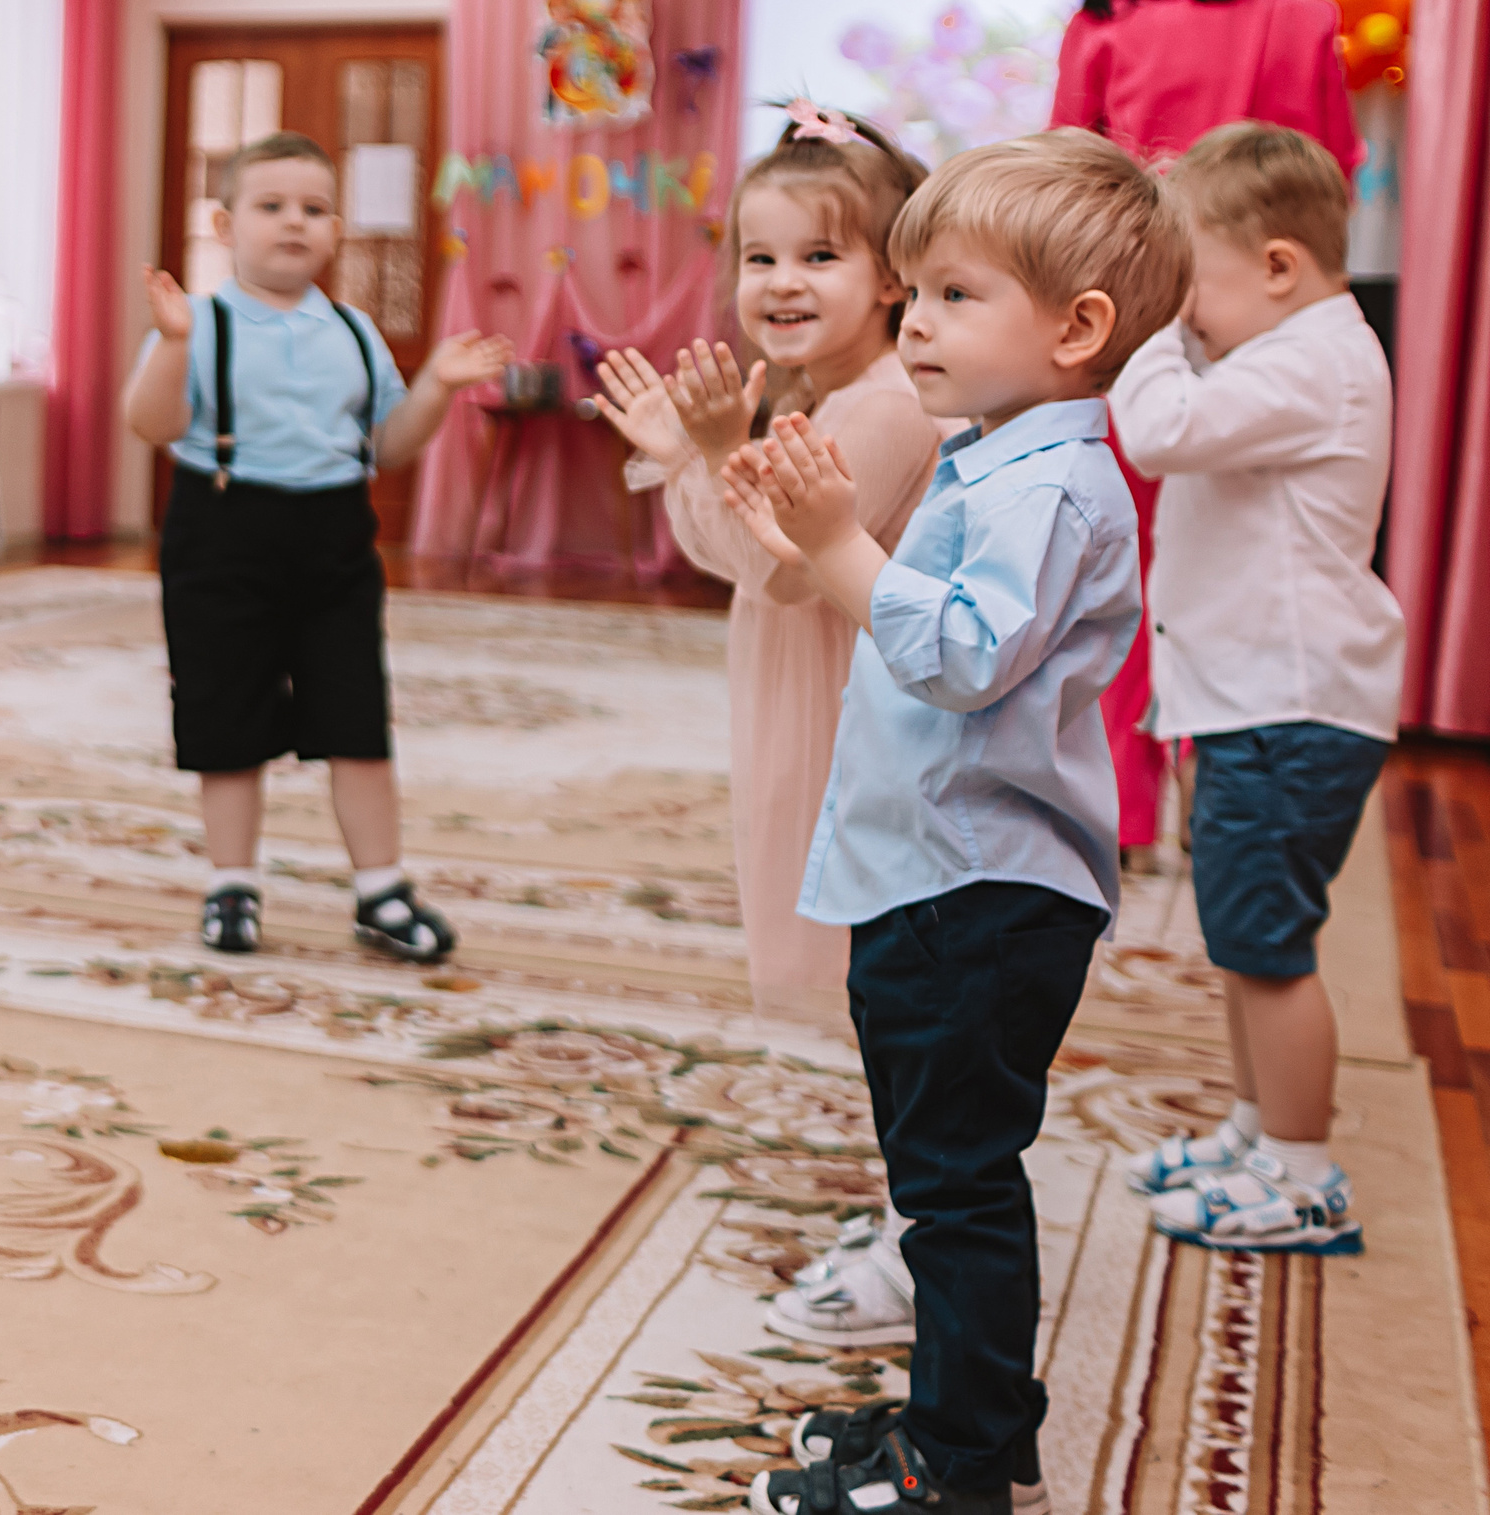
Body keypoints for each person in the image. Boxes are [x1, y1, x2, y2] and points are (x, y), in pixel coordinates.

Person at [729, 128, 1187, 1515]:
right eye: (913, 292)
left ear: (1077, 328)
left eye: (956, 295)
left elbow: (967, 651)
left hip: (976, 893)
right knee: (942, 1174)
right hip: (936, 873)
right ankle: (964, 1418)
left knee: (959, 1190)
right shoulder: (995, 457)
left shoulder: (1045, 482)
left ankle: (963, 1470)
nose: (916, 321)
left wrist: (842, 548)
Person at [1112, 123, 1401, 1254]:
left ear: (1277, 267)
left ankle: (1300, 1172)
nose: (1181, 313)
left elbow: (1154, 431)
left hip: (1286, 706)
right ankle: (1256, 1131)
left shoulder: (1308, 364)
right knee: (1240, 940)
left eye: (1190, 288)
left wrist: (1135, 323)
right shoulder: (1290, 355)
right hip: (1250, 698)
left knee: (1268, 951)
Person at [594, 102, 940, 1036]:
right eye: (761, 258)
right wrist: (700, 450)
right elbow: (748, 568)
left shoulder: (887, 407)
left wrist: (702, 452)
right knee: (799, 862)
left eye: (820, 257)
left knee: (847, 895)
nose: (783, 282)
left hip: (847, 700)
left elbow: (780, 570)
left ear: (893, 281)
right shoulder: (825, 399)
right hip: (802, 677)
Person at [1049, 0, 1362, 872]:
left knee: (1129, 568)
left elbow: (1068, 184)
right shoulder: (1306, 21)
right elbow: (1329, 176)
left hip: (1144, 320)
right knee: (1258, 560)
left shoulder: (1103, 32)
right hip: (1276, 321)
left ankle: (1129, 818)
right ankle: (1221, 796)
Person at [123, 131, 509, 963]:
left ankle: (382, 888)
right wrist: (177, 344)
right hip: (221, 532)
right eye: (271, 206)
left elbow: (389, 445)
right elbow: (151, 425)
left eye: (314, 208)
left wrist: (438, 386)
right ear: (227, 225)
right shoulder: (198, 322)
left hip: (334, 538)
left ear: (335, 230)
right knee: (227, 715)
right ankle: (232, 881)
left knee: (355, 715)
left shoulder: (355, 331)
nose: (293, 222)